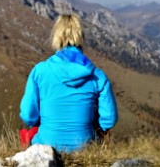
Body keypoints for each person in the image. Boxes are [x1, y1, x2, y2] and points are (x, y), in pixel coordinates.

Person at [19, 14, 117, 152]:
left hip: (45, 148)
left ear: (56, 37)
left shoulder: (39, 71)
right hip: (85, 148)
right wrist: (94, 125)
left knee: (30, 131)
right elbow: (109, 119)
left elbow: (29, 116)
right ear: (80, 37)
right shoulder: (98, 76)